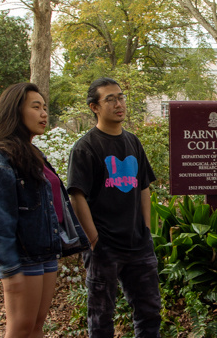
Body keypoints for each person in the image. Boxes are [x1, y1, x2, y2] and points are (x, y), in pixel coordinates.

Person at [0, 83, 89, 338]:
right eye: (36, 107)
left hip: (45, 251)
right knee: (20, 328)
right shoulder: (0, 157)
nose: (44, 114)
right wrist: (9, 268)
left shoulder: (33, 153)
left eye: (45, 107)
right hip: (22, 257)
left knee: (36, 326)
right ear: (15, 112)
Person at [67, 77, 161, 338]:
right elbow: (77, 195)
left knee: (150, 311)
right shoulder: (85, 148)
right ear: (94, 107)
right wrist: (94, 239)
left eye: (120, 97)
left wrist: (145, 228)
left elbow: (143, 187)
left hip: (138, 244)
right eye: (110, 99)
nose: (119, 104)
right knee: (101, 317)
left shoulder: (132, 141)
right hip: (104, 247)